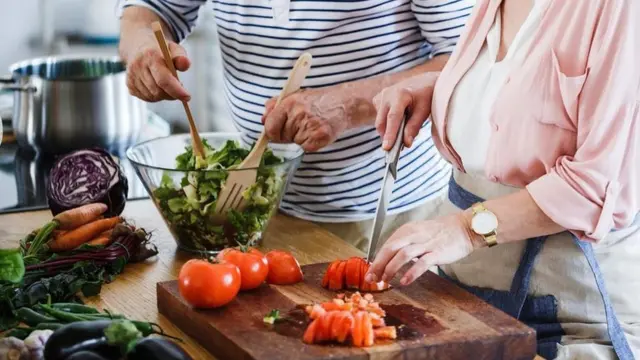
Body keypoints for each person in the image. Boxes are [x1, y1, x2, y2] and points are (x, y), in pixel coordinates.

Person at [364, 0, 640, 359]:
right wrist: (448, 89)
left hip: (573, 318)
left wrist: (466, 229)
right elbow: (530, 94)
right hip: (469, 297)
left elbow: (600, 185)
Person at [117, 0, 475, 251]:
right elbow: (149, 11)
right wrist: (140, 45)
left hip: (387, 214)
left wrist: (348, 106)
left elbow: (471, 60)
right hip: (258, 206)